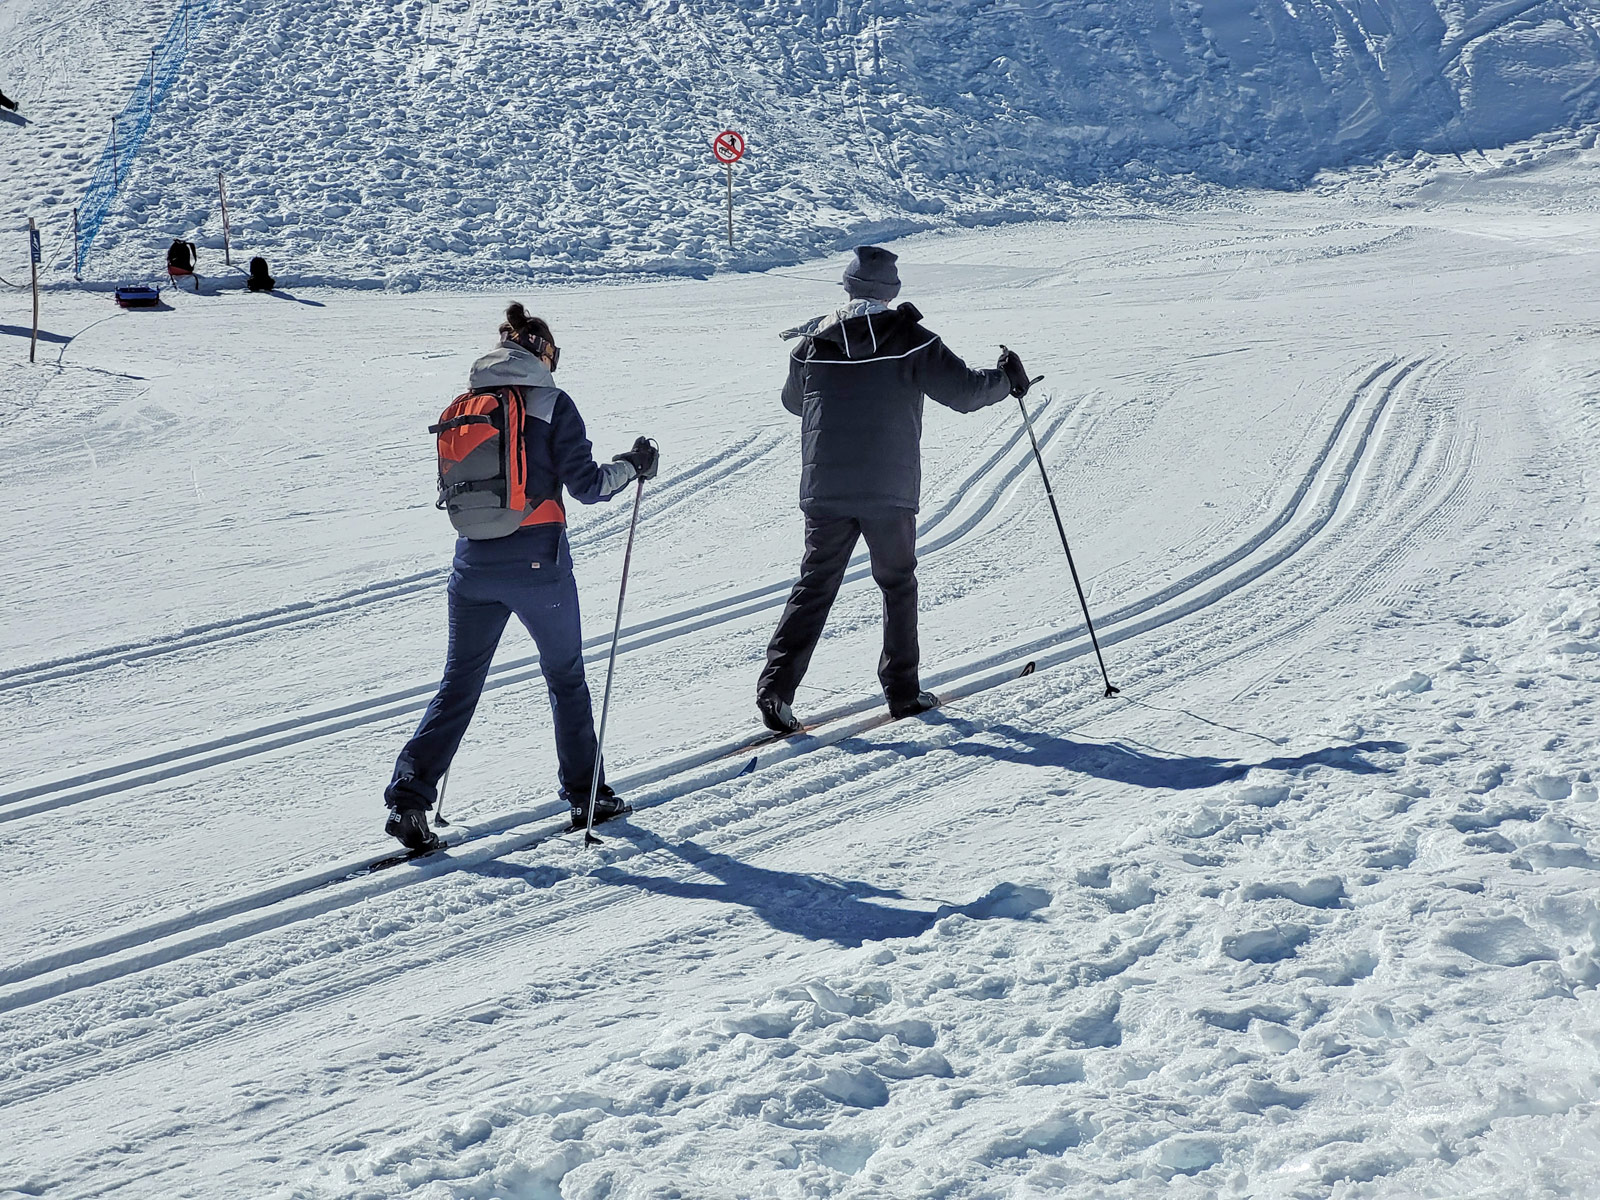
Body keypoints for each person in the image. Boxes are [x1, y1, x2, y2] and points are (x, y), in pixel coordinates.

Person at [384, 303, 659, 851]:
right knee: (566, 677)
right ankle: (587, 795)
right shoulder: (553, 404)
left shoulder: (466, 404)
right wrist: (633, 465)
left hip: (472, 564)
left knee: (459, 684)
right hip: (538, 565)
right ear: (543, 353)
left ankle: (410, 800)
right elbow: (588, 487)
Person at [756, 245, 1033, 733]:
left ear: (847, 286)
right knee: (897, 584)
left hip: (825, 489)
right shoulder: (911, 340)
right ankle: (902, 693)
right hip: (889, 488)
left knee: (815, 584)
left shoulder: (810, 343)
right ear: (892, 292)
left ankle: (775, 689)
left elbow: (794, 402)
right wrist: (1008, 379)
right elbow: (965, 392)